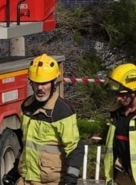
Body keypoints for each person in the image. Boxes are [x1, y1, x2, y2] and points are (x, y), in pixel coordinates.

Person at [6, 54, 81, 185]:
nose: (40, 88)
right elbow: (26, 145)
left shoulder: (62, 111)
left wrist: (71, 180)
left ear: (53, 83)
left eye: (44, 83)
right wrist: (14, 172)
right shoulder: (26, 107)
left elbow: (75, 149)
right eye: (36, 83)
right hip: (26, 180)